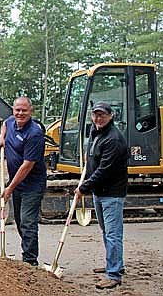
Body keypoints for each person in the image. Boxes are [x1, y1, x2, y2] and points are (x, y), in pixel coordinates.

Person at [75, 101, 128, 289]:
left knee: (113, 234)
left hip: (111, 193)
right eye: (95, 114)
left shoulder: (113, 139)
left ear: (111, 116)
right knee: (107, 232)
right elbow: (93, 159)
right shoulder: (96, 131)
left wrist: (84, 187)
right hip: (100, 191)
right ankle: (114, 265)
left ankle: (113, 275)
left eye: (102, 115)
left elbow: (104, 170)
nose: (98, 118)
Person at [0, 96, 46, 266]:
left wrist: (9, 188)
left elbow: (27, 166)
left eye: (24, 110)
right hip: (17, 184)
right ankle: (28, 253)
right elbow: (5, 123)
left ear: (31, 111)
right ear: (13, 110)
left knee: (27, 222)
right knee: (19, 221)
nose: (20, 113)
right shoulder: (11, 122)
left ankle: (30, 261)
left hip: (32, 185)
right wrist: (1, 138)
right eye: (17, 110)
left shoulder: (34, 133)